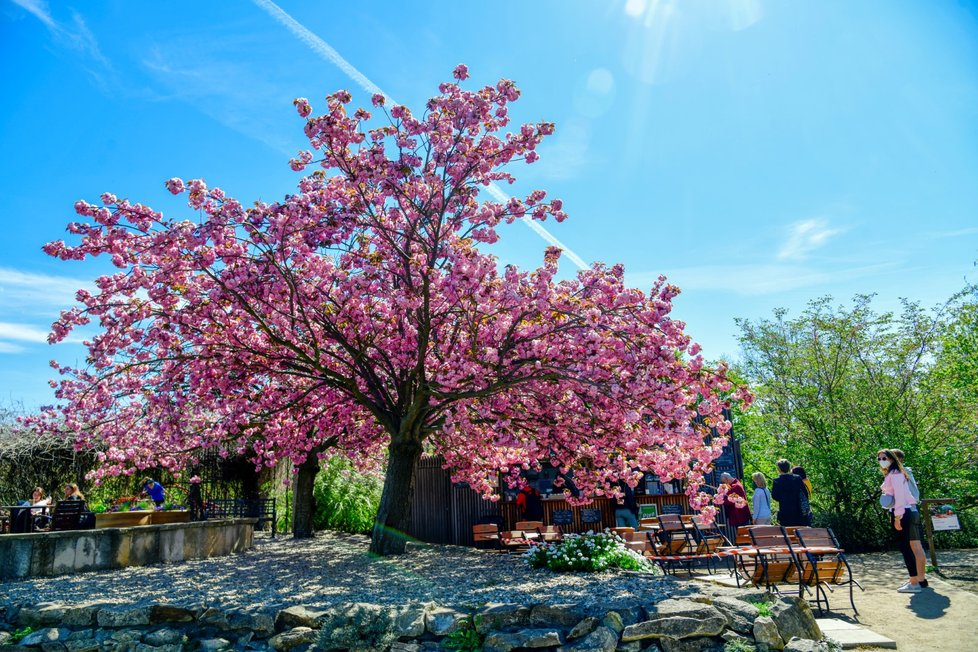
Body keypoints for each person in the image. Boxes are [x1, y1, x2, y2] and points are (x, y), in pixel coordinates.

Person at [879, 449, 927, 592]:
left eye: (884, 458)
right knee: (914, 547)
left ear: (892, 459)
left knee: (906, 549)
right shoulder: (898, 473)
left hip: (902, 512)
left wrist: (897, 517)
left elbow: (899, 497)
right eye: (879, 458)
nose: (881, 461)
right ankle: (919, 579)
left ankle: (914, 582)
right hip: (909, 512)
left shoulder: (895, 474)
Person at [770, 459, 807, 526]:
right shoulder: (797, 478)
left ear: (779, 469)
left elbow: (774, 496)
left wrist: (784, 498)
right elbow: (804, 493)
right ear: (789, 467)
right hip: (798, 511)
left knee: (787, 533)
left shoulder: (777, 481)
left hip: (785, 511)